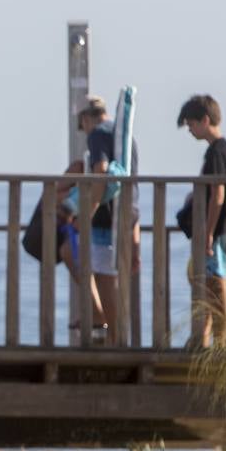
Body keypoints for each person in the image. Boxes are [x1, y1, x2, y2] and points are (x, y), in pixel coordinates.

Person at [78, 94, 140, 344]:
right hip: (128, 214)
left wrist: (88, 212)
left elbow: (101, 173)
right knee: (112, 275)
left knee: (105, 278)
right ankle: (116, 333)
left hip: (106, 218)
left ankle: (115, 338)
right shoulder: (125, 136)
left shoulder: (97, 134)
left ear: (85, 119)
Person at [178, 94, 226, 346]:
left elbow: (218, 194)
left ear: (205, 120)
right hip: (218, 226)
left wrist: (209, 231)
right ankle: (204, 334)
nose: (189, 130)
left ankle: (221, 338)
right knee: (202, 276)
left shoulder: (216, 151)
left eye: (191, 124)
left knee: (214, 278)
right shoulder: (221, 149)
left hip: (217, 227)